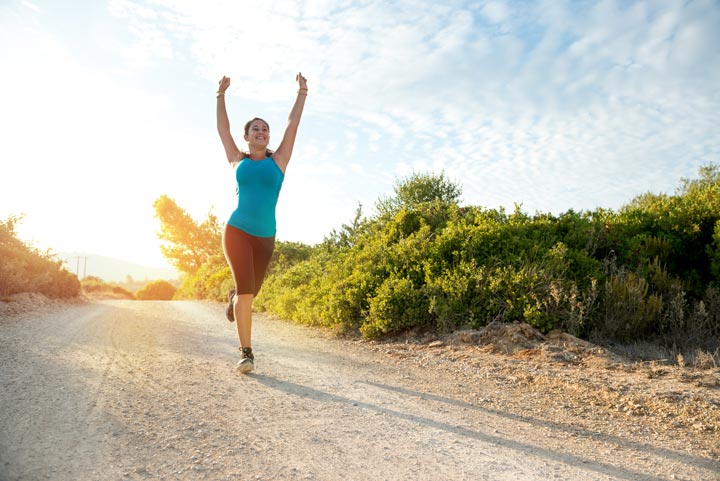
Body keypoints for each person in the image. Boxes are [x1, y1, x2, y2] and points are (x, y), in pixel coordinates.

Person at [216, 72, 308, 373]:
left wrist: (301, 93)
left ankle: (234, 298)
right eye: (256, 129)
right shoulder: (237, 161)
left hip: (266, 236)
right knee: (247, 294)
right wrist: (221, 96)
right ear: (247, 136)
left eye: (265, 129)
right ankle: (246, 353)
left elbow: (292, 125)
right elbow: (222, 129)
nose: (262, 132)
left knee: (250, 292)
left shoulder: (279, 160)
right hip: (237, 230)